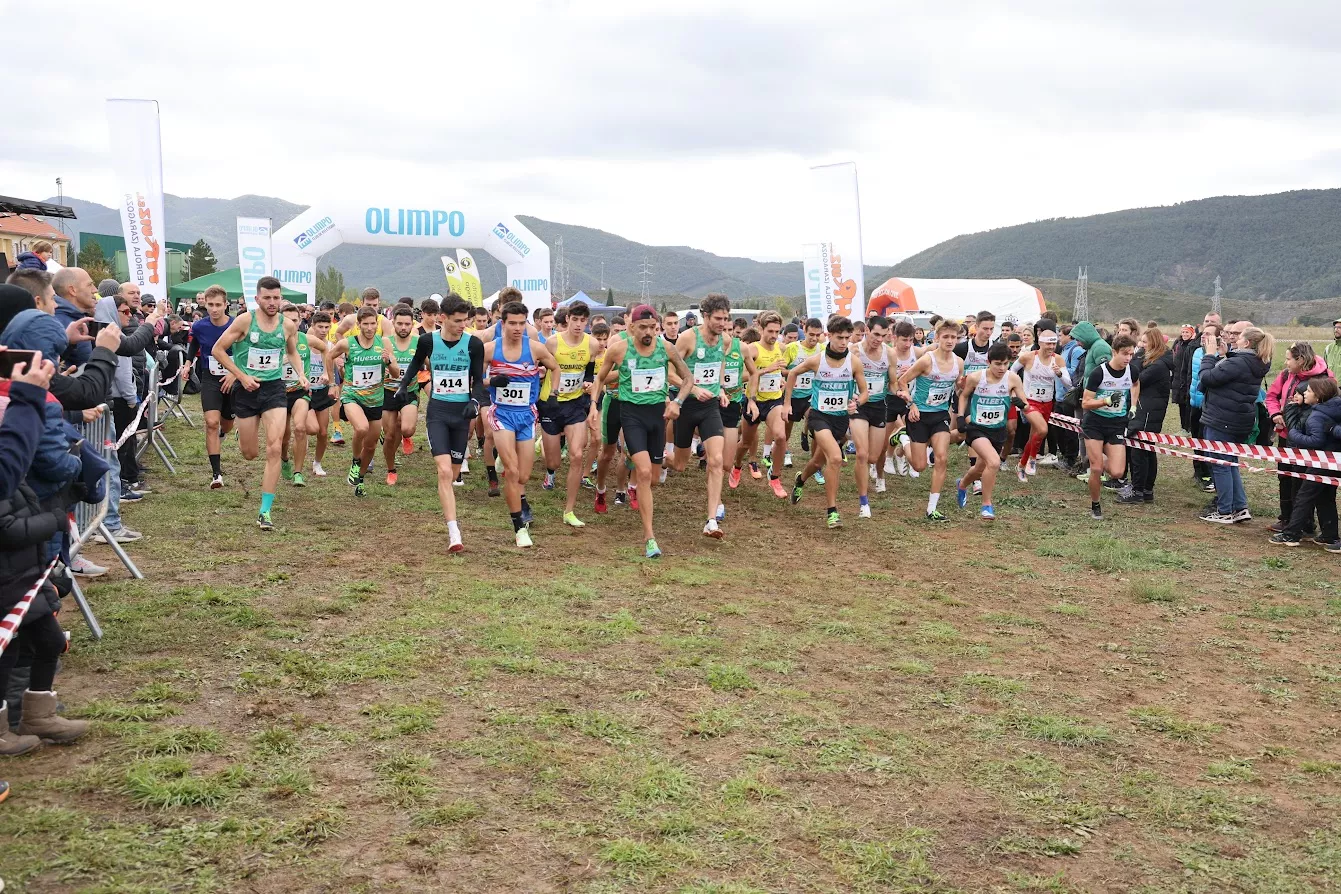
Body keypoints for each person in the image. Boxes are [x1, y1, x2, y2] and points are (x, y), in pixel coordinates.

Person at [0, 349, 88, 756]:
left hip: (28, 574)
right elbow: (10, 527)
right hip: (9, 580)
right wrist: (53, 521)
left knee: (50, 642)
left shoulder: (16, 473)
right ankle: (7, 723)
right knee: (11, 651)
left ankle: (39, 712)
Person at [593, 304, 692, 558]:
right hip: (632, 414)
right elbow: (601, 377)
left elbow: (688, 378)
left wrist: (677, 403)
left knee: (655, 477)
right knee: (645, 473)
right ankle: (650, 538)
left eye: (653, 327)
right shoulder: (618, 349)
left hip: (658, 416)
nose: (649, 332)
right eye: (644, 327)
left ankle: (629, 457)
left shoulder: (666, 348)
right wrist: (593, 406)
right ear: (632, 327)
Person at [212, 276, 308, 528]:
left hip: (275, 388)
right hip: (246, 390)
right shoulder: (245, 320)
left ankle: (265, 511)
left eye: (276, 297)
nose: (272, 302)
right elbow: (218, 350)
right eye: (267, 297)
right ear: (257, 299)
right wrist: (241, 376)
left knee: (274, 448)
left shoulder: (288, 326)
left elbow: (292, 351)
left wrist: (301, 373)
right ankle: (245, 431)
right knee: (249, 453)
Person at [393, 294, 482, 552]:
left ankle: (453, 520)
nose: (462, 325)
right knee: (443, 472)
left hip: (462, 415)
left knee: (454, 473)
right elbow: (414, 364)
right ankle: (454, 531)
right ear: (442, 318)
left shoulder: (473, 344)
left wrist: (474, 403)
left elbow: (479, 381)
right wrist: (402, 386)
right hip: (438, 413)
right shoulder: (427, 341)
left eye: (465, 320)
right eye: (457, 321)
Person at [482, 301, 559, 548]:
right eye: (512, 323)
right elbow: (476, 378)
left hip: (526, 415)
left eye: (521, 323)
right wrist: (491, 381)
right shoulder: (490, 349)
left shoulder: (535, 348)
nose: (517, 328)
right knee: (513, 472)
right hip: (501, 414)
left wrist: (553, 394)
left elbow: (555, 368)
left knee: (523, 475)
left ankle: (519, 496)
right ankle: (519, 527)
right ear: (502, 324)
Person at [785, 315, 868, 527]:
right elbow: (793, 373)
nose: (843, 342)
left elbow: (865, 391)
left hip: (840, 419)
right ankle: (832, 512)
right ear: (828, 336)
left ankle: (800, 479)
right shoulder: (817, 360)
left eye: (847, 338)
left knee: (817, 461)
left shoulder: (853, 362)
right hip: (819, 416)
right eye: (839, 338)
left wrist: (857, 401)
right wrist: (787, 404)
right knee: (836, 458)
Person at [668, 294, 732, 538]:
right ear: (706, 316)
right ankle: (662, 459)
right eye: (718, 318)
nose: (722, 323)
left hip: (710, 408)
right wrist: (693, 388)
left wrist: (721, 389)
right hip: (687, 405)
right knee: (680, 464)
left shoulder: (725, 340)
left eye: (725, 318)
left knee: (716, 461)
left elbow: (720, 363)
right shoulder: (688, 338)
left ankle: (711, 520)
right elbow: (669, 370)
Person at [1197, 326, 1272, 524]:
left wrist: (1210, 356)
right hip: (1239, 419)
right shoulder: (1255, 362)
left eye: (1238, 338)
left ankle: (1224, 511)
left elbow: (1207, 378)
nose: (1233, 339)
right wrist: (1224, 356)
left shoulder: (1238, 363)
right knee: (1231, 464)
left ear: (1247, 343)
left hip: (1222, 419)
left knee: (1220, 464)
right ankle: (1239, 507)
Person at [539, 301, 599, 528]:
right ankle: (546, 459)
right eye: (575, 320)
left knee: (576, 455)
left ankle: (569, 510)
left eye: (583, 321)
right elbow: (543, 369)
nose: (579, 325)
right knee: (553, 461)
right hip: (551, 404)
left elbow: (590, 374)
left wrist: (587, 384)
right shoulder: (553, 342)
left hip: (574, 405)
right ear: (567, 320)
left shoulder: (592, 344)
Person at [895, 318, 963, 521]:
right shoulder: (926, 360)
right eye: (946, 337)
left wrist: (962, 385)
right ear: (937, 337)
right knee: (919, 466)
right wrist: (911, 405)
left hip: (940, 415)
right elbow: (902, 381)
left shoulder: (958, 362)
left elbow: (958, 387)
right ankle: (903, 439)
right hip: (919, 415)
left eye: (954, 337)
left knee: (941, 457)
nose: (950, 341)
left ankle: (931, 508)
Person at [325, 307, 397, 497]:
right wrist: (332, 381)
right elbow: (329, 355)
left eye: (373, 323)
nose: (370, 327)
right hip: (352, 396)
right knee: (361, 428)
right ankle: (356, 461)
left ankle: (360, 479)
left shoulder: (385, 343)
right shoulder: (348, 344)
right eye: (365, 324)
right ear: (358, 325)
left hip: (375, 399)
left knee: (371, 445)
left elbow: (396, 372)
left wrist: (389, 361)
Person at [955, 342, 1029, 520]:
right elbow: (963, 396)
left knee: (980, 468)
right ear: (989, 362)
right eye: (998, 364)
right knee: (994, 463)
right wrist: (960, 417)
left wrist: (1021, 404)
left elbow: (1025, 403)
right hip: (977, 428)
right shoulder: (975, 377)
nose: (1002, 368)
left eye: (1006, 364)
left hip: (998, 430)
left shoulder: (1013, 379)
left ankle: (962, 484)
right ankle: (986, 505)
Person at [1265, 342, 1332, 535]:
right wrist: (1276, 413)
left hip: (1311, 439)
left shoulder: (1325, 377)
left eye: (1288, 359)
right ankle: (1286, 518)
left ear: (1300, 360)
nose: (1285, 363)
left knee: (1304, 482)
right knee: (1285, 477)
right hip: (1287, 435)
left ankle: (1305, 524)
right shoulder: (1286, 375)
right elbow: (1272, 396)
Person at [1268, 376, 1341, 551]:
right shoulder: (1335, 408)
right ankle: (1330, 536)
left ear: (1318, 395)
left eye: (1308, 391)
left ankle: (1291, 534)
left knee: (1304, 496)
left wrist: (1293, 434)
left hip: (1321, 462)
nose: (1304, 393)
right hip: (1334, 462)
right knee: (1325, 497)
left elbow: (1315, 441)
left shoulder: (1318, 416)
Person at [1080, 334, 1141, 520]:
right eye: (1124, 354)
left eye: (1131, 354)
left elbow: (1136, 384)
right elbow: (1085, 403)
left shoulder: (1132, 370)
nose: (1128, 358)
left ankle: (1095, 457)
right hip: (1095, 424)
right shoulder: (1099, 373)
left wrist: (1132, 406)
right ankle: (1095, 504)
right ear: (1114, 352)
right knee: (1097, 469)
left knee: (1117, 472)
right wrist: (1105, 400)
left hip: (1116, 424)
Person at [185, 286, 235, 488]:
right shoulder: (199, 326)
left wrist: (234, 373)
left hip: (233, 379)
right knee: (211, 422)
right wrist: (188, 364)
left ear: (225, 305)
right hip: (210, 377)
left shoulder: (235, 325)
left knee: (227, 424)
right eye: (210, 304)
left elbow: (244, 351)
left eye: (218, 305)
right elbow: (194, 345)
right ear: (204, 303)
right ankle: (217, 474)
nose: (214, 309)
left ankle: (223, 433)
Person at [1119, 326, 1175, 503]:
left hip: (1148, 413)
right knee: (1146, 452)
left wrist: (1134, 357)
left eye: (1144, 342)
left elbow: (1136, 379)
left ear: (1153, 344)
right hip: (1147, 410)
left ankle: (1138, 491)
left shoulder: (1158, 365)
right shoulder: (1154, 361)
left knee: (1140, 453)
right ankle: (1145, 490)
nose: (1140, 345)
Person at [734, 312, 788, 491]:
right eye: (770, 331)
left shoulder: (780, 347)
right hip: (754, 401)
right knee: (746, 443)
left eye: (777, 331)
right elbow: (740, 376)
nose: (773, 335)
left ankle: (775, 477)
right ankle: (736, 466)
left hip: (774, 400)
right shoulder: (753, 349)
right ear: (761, 329)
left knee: (780, 436)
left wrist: (779, 378)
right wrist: (766, 370)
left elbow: (777, 371)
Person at [1013, 327, 1070, 480]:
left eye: (1054, 344)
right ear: (1040, 343)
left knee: (1035, 434)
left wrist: (1059, 373)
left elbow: (1069, 383)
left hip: (1047, 402)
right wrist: (1016, 392)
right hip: (1030, 401)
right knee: (1043, 430)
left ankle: (1021, 465)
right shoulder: (1028, 357)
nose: (1051, 347)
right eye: (1048, 344)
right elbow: (1012, 372)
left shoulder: (1057, 359)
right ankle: (1032, 458)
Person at [380, 305, 421, 485]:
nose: (403, 327)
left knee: (407, 428)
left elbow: (431, 362)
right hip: (388, 392)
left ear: (412, 324)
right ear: (393, 323)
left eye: (407, 324)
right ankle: (391, 469)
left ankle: (406, 436)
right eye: (400, 324)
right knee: (389, 435)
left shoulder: (419, 342)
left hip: (409, 391)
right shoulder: (384, 342)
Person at [852, 316, 891, 501]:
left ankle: (866, 470)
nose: (879, 339)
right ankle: (863, 498)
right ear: (866, 330)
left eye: (883, 335)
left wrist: (904, 394)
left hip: (878, 406)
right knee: (862, 453)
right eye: (876, 334)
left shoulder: (889, 354)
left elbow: (893, 384)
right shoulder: (854, 350)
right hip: (859, 405)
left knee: (873, 457)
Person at [277, 303, 314, 488]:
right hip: (278, 392)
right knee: (283, 435)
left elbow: (326, 349)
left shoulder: (306, 339)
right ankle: (284, 458)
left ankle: (298, 473)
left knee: (300, 428)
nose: (292, 323)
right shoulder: (274, 339)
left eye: (295, 320)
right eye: (287, 320)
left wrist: (327, 376)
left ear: (300, 321)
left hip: (299, 392)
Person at [783, 318, 824, 470]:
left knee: (817, 426)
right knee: (786, 431)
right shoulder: (793, 348)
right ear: (804, 331)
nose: (814, 338)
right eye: (811, 334)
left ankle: (815, 463)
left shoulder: (822, 349)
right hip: (793, 396)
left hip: (810, 396)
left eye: (817, 335)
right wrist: (798, 371)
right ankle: (786, 452)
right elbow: (782, 370)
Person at [301, 311, 334, 477]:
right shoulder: (304, 344)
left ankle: (317, 463)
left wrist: (331, 379)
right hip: (305, 392)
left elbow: (334, 369)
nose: (323, 330)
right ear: (312, 326)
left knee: (323, 432)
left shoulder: (330, 347)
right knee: (312, 429)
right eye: (320, 327)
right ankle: (301, 438)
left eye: (327, 327)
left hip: (322, 392)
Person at [1171, 323, 1201, 432]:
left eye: (1187, 332)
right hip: (1177, 378)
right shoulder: (1178, 344)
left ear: (1192, 333)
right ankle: (1183, 427)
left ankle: (1188, 427)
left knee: (1187, 404)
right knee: (1181, 404)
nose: (1184, 334)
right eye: (1183, 332)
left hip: (1187, 378)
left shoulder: (1193, 346)